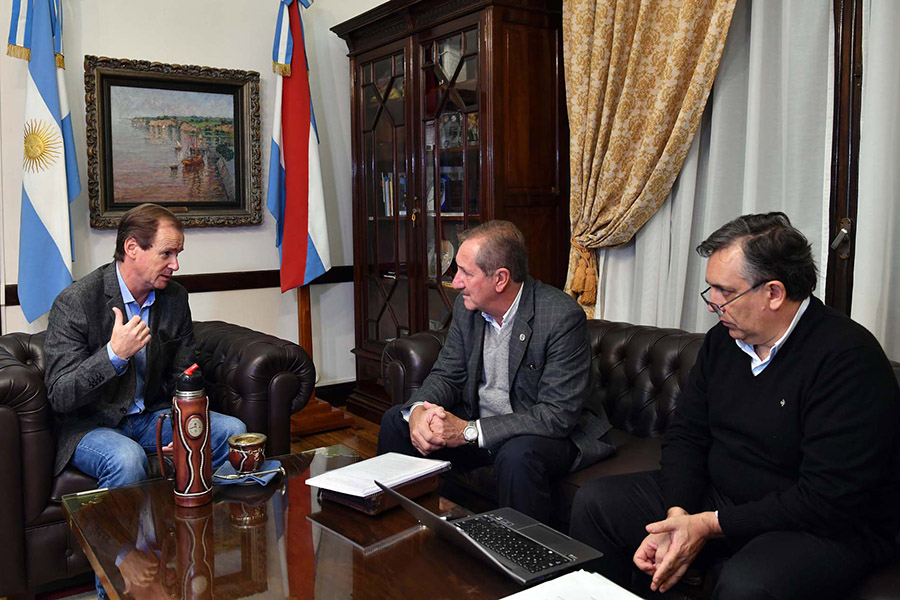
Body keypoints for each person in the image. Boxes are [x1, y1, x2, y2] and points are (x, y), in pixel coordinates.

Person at [569, 213, 900, 599]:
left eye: (725, 291)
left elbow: (826, 497)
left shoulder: (847, 358)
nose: (714, 304)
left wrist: (709, 524)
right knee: (598, 505)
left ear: (773, 293)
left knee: (748, 584)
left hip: (822, 523)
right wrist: (678, 515)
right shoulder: (724, 342)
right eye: (711, 289)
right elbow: (686, 435)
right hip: (722, 495)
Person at [377, 220, 614, 524]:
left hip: (543, 433)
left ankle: (524, 562)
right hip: (479, 424)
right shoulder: (468, 307)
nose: (456, 281)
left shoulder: (560, 317)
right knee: (396, 421)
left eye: (466, 272)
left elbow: (556, 415)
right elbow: (447, 374)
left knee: (517, 457)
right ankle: (399, 535)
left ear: (500, 278)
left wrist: (468, 431)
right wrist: (419, 411)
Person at [44, 203, 246, 488]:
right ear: (132, 248)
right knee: (127, 458)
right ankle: (117, 534)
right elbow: (60, 395)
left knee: (233, 432)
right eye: (166, 254)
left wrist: (186, 427)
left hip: (154, 417)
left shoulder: (174, 298)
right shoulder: (76, 301)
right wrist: (114, 355)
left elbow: (183, 374)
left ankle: (204, 524)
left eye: (177, 254)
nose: (175, 265)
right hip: (92, 425)